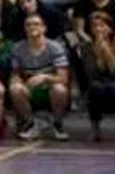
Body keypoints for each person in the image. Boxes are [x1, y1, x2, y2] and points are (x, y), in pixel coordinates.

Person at [10, 13, 71, 141]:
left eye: (36, 24)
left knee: (60, 89)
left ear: (44, 28)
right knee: (14, 88)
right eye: (28, 25)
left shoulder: (55, 47)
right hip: (29, 88)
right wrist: (19, 83)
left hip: (49, 88)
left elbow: (63, 78)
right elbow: (15, 74)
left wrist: (44, 77)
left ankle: (57, 124)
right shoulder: (17, 48)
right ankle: (30, 124)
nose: (32, 27)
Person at [82, 12, 115, 141]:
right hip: (98, 86)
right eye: (94, 26)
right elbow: (90, 74)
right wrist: (100, 56)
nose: (98, 29)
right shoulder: (87, 48)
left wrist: (108, 54)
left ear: (111, 28)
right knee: (95, 87)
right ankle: (95, 129)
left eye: (102, 26)